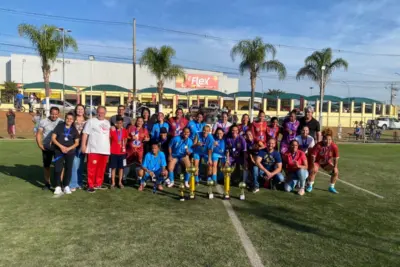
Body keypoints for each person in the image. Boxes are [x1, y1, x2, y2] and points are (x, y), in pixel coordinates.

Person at [81, 106, 111, 193]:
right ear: (96, 112)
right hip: (94, 149)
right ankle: (90, 185)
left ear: (105, 113)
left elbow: (108, 136)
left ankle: (98, 184)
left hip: (104, 150)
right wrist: (83, 145)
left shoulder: (107, 123)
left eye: (102, 112)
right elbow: (85, 134)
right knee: (91, 168)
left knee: (101, 169)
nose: (101, 114)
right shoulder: (91, 121)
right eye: (99, 112)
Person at [51, 113, 80, 195]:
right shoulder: (59, 126)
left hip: (70, 152)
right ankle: (57, 186)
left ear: (73, 120)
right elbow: (53, 138)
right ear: (65, 118)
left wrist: (68, 148)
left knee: (68, 168)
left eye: (71, 119)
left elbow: (77, 143)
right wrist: (61, 147)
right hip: (59, 151)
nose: (69, 120)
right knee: (57, 168)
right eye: (67, 118)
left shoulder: (74, 129)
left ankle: (66, 185)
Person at [36, 107, 63, 190]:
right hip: (47, 146)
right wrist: (40, 144)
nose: (54, 116)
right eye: (52, 114)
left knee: (60, 166)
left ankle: (59, 183)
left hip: (58, 146)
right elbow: (39, 133)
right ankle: (47, 183)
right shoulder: (43, 121)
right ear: (50, 113)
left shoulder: (61, 122)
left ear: (58, 114)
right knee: (47, 165)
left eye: (56, 114)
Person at [307, 128, 340, 194]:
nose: (328, 141)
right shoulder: (318, 145)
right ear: (323, 138)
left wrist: (335, 167)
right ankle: (310, 185)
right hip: (316, 161)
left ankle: (331, 187)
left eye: (329, 139)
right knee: (314, 170)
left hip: (325, 162)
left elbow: (336, 158)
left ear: (331, 139)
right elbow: (313, 156)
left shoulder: (334, 146)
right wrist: (313, 165)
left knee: (336, 172)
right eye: (326, 139)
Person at [69, 104, 87, 191]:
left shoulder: (87, 121)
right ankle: (73, 184)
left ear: (84, 110)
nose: (80, 110)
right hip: (73, 145)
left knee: (80, 165)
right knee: (74, 165)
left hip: (83, 145)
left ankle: (79, 183)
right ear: (76, 110)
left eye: (81, 109)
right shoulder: (72, 120)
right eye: (78, 109)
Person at [109, 115, 128, 189]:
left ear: (122, 123)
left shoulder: (124, 131)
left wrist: (123, 146)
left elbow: (126, 139)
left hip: (122, 153)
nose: (119, 124)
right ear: (115, 123)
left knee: (121, 168)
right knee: (113, 168)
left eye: (120, 123)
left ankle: (120, 182)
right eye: (118, 123)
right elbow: (110, 139)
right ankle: (113, 182)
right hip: (114, 152)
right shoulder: (112, 130)